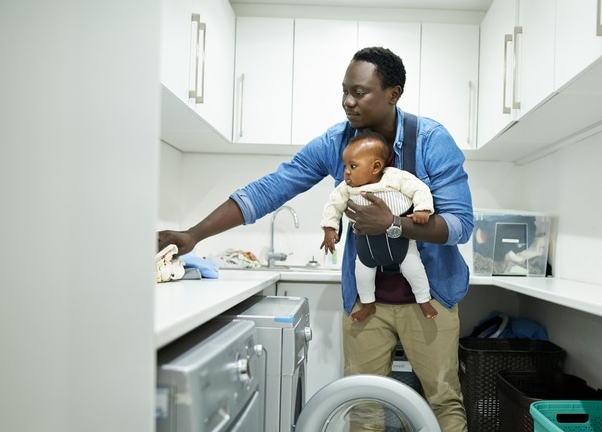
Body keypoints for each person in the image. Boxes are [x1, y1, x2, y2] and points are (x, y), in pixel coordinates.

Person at [158, 46, 474, 432]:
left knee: (443, 400)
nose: (348, 102)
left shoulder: (431, 140)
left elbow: (460, 224)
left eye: (360, 92)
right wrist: (193, 234)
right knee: (363, 405)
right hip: (365, 302)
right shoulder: (337, 141)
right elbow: (271, 188)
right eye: (345, 91)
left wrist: (394, 223)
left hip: (431, 296)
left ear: (393, 93)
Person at [320, 131, 437, 322]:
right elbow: (333, 205)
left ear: (375, 167)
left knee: (414, 268)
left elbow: (419, 188)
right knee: (362, 273)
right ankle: (368, 304)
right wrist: (329, 229)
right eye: (345, 166)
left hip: (400, 239)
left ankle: (423, 300)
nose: (346, 171)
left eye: (353, 166)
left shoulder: (395, 178)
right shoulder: (346, 188)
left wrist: (423, 209)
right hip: (367, 245)